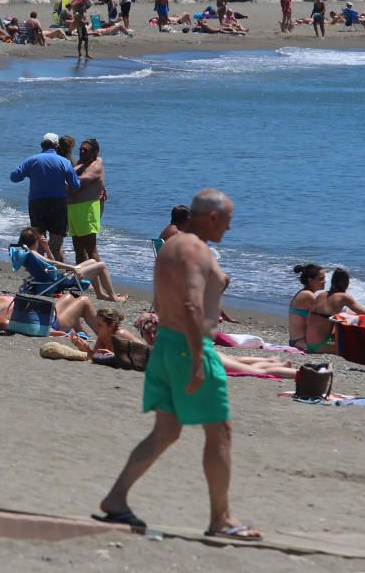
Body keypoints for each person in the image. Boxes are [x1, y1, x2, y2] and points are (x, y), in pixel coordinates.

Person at [95, 189, 262, 542]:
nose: (230, 228)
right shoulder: (196, 249)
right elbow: (190, 303)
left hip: (167, 345)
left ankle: (116, 497)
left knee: (166, 431)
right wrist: (200, 359)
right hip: (189, 347)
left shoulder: (170, 246)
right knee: (220, 432)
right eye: (228, 220)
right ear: (212, 218)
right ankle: (221, 518)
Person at [10, 134, 80, 262]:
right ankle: (57, 273)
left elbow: (14, 177)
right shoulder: (64, 162)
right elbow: (75, 185)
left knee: (39, 240)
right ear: (56, 146)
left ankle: (42, 273)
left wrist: (31, 173)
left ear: (42, 145)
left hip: (37, 203)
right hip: (58, 203)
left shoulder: (32, 160)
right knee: (56, 244)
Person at [18, 226, 125, 302]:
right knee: (102, 266)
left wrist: (46, 248)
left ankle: (101, 294)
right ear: (35, 241)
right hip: (62, 279)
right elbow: (53, 262)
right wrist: (72, 268)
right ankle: (113, 297)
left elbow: (51, 264)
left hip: (56, 276)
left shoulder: (28, 253)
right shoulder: (33, 253)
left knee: (93, 261)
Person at [67, 139, 109, 283]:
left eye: (86, 150)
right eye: (81, 149)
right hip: (74, 209)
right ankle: (84, 283)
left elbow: (77, 183)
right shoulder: (82, 163)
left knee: (92, 251)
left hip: (87, 210)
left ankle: (107, 287)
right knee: (78, 250)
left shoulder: (95, 166)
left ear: (95, 152)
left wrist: (60, 177)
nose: (82, 151)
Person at [305, 268, 365, 355]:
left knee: (340, 317)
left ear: (332, 281)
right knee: (361, 318)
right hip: (320, 346)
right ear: (346, 283)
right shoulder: (343, 297)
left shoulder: (321, 294)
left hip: (309, 344)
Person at [69, 308, 149, 370]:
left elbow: (141, 355)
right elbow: (94, 357)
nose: (96, 328)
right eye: (96, 324)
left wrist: (114, 356)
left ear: (111, 325)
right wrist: (84, 347)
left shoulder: (120, 335)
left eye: (99, 325)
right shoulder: (102, 337)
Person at [287, 263, 325, 350]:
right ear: (310, 280)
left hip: (300, 341)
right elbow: (325, 316)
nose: (325, 281)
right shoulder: (307, 295)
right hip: (300, 343)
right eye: (321, 279)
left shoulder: (306, 293)